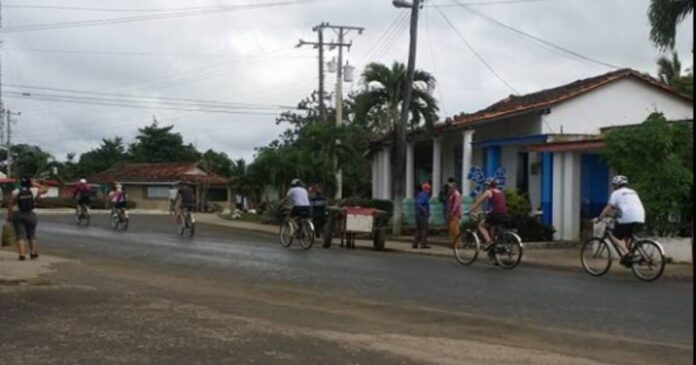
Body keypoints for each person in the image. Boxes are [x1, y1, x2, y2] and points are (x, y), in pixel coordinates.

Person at [596, 175, 645, 263]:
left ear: (616, 185)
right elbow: (623, 207)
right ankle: (628, 258)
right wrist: (614, 214)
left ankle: (627, 253)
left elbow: (609, 207)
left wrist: (600, 218)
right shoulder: (633, 191)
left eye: (614, 185)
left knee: (615, 235)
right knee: (627, 234)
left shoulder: (616, 193)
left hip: (627, 217)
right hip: (640, 216)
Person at [8, 177, 48, 261]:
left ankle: (22, 255)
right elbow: (45, 189)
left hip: (18, 214)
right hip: (30, 214)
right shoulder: (34, 190)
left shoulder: (15, 191)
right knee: (32, 235)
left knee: (20, 236)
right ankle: (33, 253)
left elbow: (10, 204)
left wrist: (10, 216)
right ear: (29, 183)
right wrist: (35, 184)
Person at [468, 177, 510, 249]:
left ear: (488, 185)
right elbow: (500, 204)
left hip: (496, 214)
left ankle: (488, 241)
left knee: (481, 225)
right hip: (504, 214)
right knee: (491, 224)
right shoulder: (500, 192)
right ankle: (493, 247)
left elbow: (478, 202)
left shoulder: (489, 191)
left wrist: (469, 210)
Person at [413, 184, 431, 249]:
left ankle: (415, 244)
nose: (429, 191)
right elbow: (419, 204)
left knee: (418, 230)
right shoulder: (423, 195)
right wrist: (425, 211)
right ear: (425, 189)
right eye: (428, 189)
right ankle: (423, 244)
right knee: (424, 229)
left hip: (417, 215)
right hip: (422, 215)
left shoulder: (418, 195)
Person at [446, 178, 462, 248]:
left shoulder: (456, 193)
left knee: (455, 229)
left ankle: (457, 244)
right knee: (452, 229)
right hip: (452, 213)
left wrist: (452, 212)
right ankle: (453, 243)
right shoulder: (452, 194)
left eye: (450, 186)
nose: (449, 188)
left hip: (454, 214)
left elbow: (456, 204)